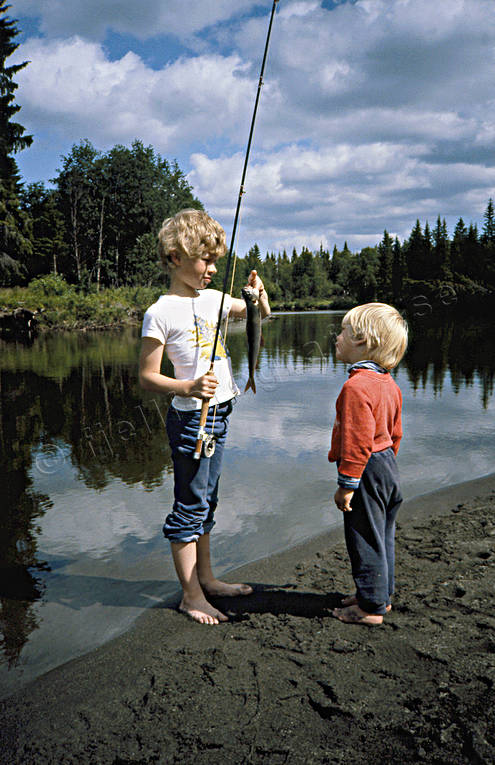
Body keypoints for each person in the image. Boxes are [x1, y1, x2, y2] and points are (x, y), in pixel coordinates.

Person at [139, 209, 270, 625]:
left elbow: (257, 314)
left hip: (221, 414)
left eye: (216, 261)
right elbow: (146, 376)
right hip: (192, 421)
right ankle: (191, 595)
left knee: (207, 501)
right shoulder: (160, 312)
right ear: (175, 257)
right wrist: (187, 387)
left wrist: (258, 294)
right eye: (205, 260)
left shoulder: (215, 300)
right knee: (189, 507)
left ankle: (208, 579)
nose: (212, 269)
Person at [328, 303, 408, 626]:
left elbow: (357, 442)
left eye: (344, 332)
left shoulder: (356, 386)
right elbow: (396, 433)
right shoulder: (389, 384)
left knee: (363, 535)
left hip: (367, 469)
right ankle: (378, 595)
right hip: (387, 465)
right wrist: (386, 468)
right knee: (383, 535)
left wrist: (347, 485)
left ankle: (370, 608)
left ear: (363, 341)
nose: (337, 336)